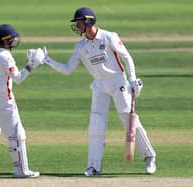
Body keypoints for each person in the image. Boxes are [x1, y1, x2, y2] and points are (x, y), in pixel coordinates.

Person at [32, 7, 156, 176]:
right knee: (96, 125)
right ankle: (94, 166)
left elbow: (127, 57)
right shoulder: (80, 46)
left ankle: (149, 157)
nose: (77, 26)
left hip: (118, 81)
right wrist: (47, 60)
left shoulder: (109, 37)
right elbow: (67, 69)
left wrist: (133, 79)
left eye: (79, 22)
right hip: (99, 85)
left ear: (89, 21)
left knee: (128, 118)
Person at [0, 24, 43, 178]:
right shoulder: (6, 56)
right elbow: (18, 78)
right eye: (11, 38)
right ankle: (21, 170)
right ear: (4, 40)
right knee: (17, 135)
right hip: (5, 102)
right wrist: (32, 64)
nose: (14, 40)